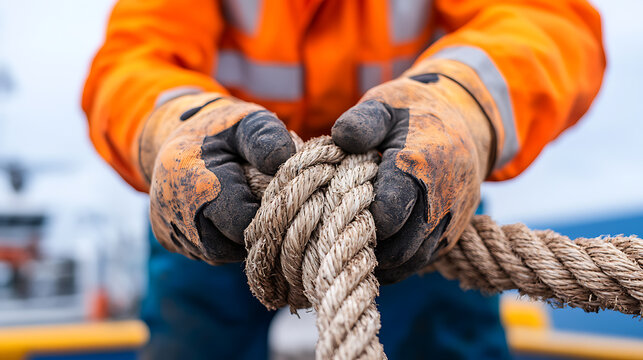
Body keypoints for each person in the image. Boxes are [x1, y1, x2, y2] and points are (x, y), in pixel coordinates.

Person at [82, 0, 605, 358]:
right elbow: (133, 62)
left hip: (410, 196)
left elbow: (546, 22)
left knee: (443, 340)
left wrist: (461, 110)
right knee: (193, 342)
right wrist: (175, 127)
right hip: (222, 198)